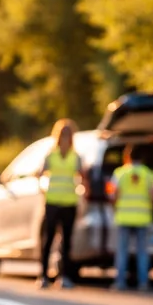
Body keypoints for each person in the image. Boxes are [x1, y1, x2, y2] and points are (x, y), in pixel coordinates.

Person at [37, 119, 85, 289]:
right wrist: (43, 190)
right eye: (63, 135)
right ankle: (43, 275)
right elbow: (39, 174)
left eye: (68, 135)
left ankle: (64, 275)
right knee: (48, 239)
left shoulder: (76, 157)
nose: (65, 138)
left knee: (67, 241)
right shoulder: (51, 155)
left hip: (69, 202)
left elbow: (83, 177)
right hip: (52, 202)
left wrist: (83, 193)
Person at [110, 145, 153, 291]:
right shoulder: (149, 174)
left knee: (122, 251)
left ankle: (120, 282)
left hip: (124, 217)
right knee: (142, 252)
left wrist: (116, 207)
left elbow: (113, 195)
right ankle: (143, 282)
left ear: (127, 157)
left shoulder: (120, 173)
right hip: (143, 218)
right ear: (142, 158)